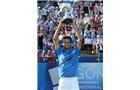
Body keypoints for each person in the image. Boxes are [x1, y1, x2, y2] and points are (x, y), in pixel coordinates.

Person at [53, 18, 82, 90]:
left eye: (68, 42)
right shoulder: (60, 51)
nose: (67, 44)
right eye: (65, 42)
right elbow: (55, 39)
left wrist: (73, 25)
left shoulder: (76, 51)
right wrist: (60, 25)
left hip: (74, 80)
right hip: (63, 80)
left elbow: (80, 39)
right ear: (63, 43)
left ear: (71, 43)